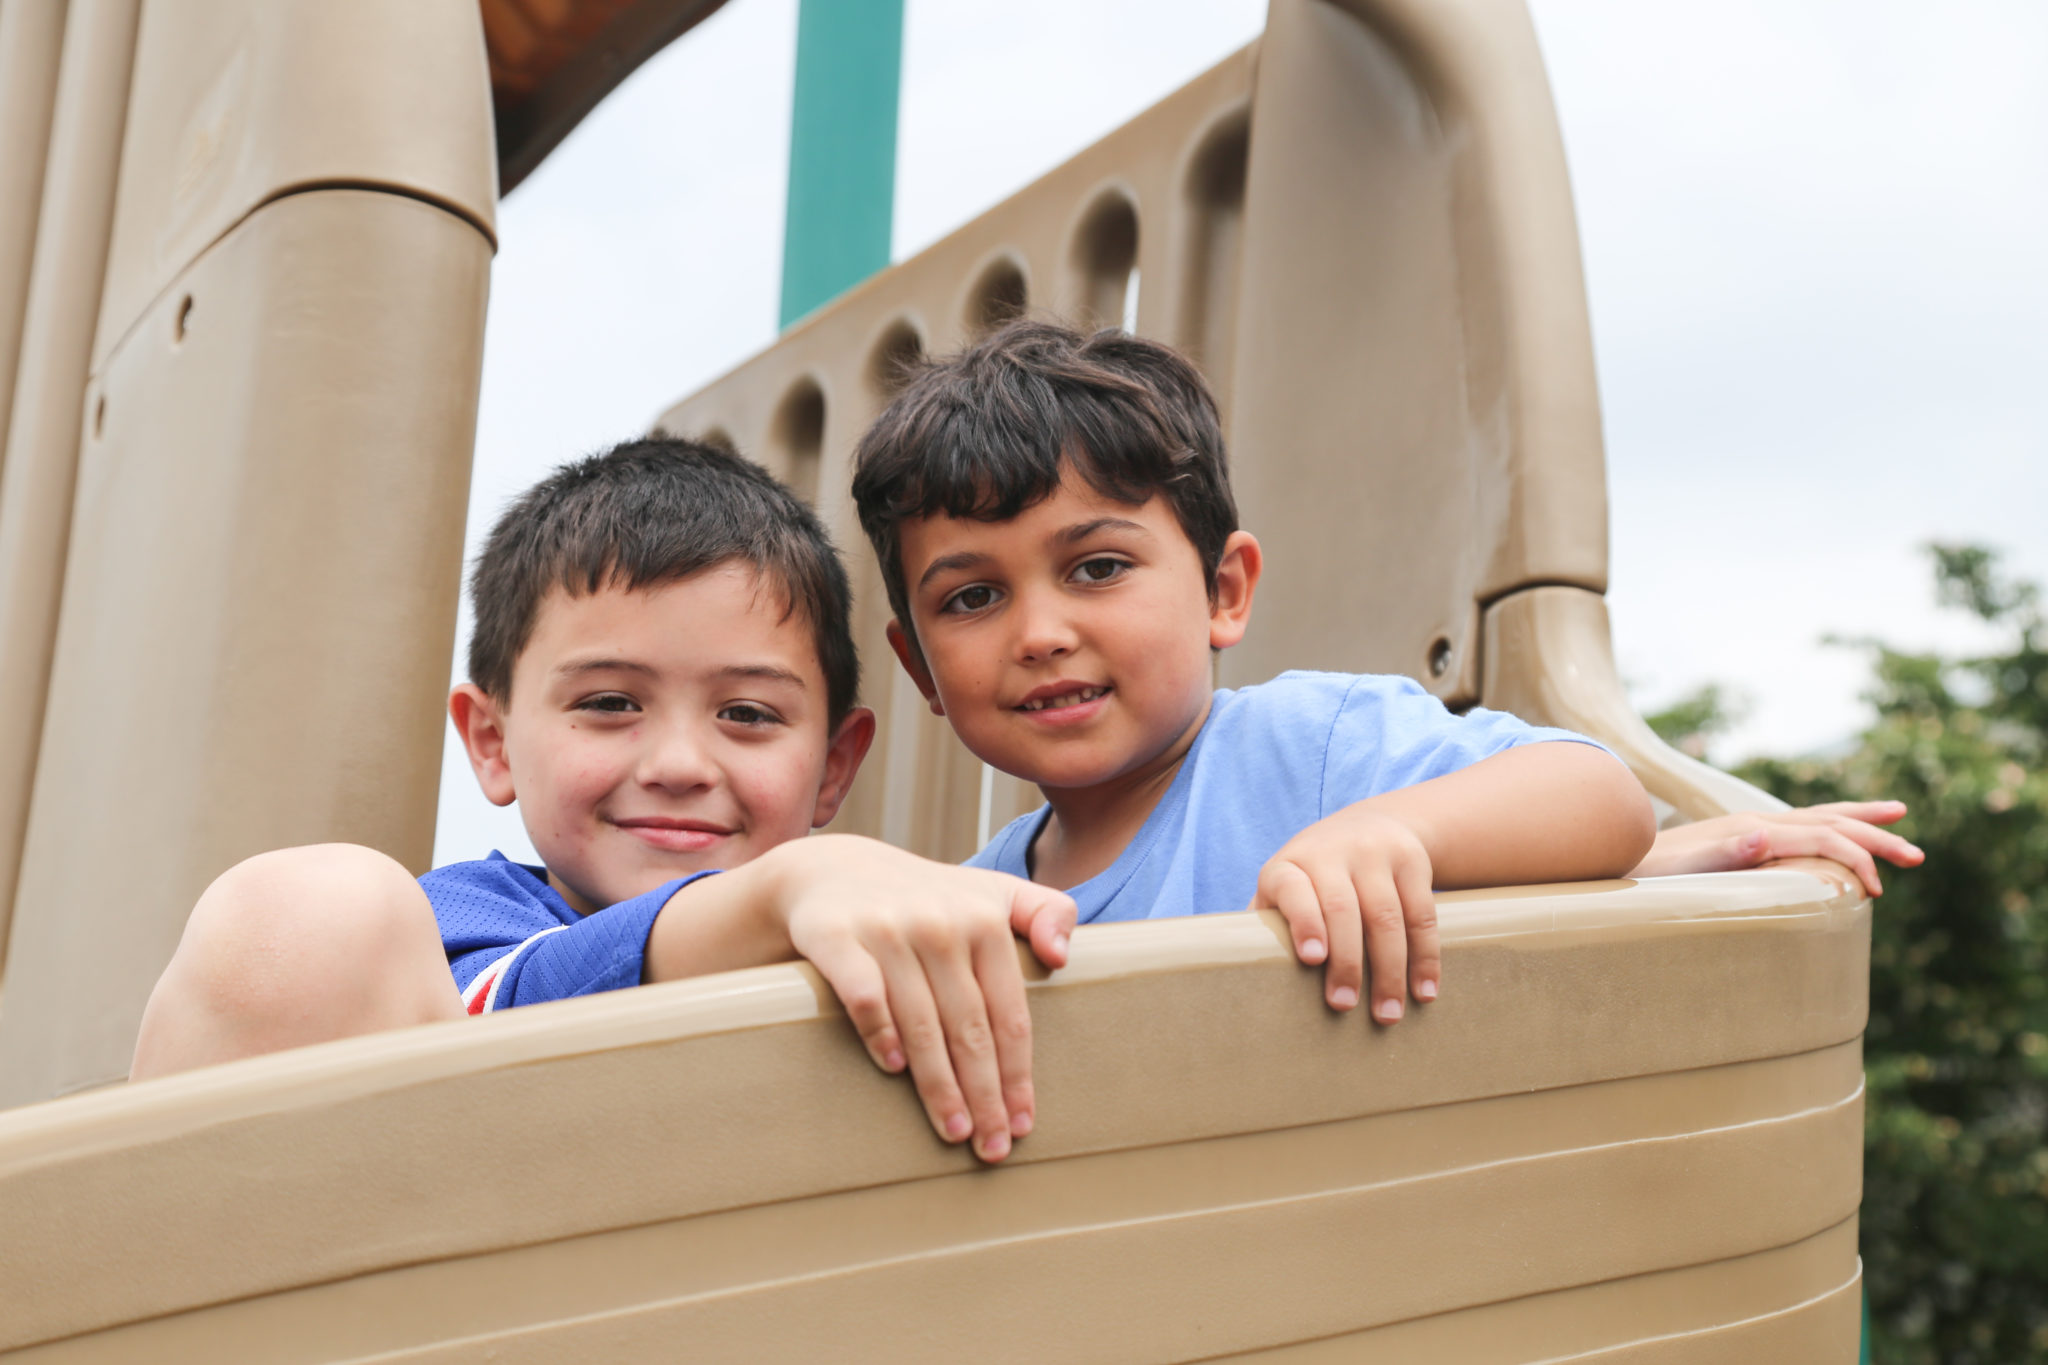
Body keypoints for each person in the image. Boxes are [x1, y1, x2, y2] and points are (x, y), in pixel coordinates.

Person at [849, 320, 1920, 1026]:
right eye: (971, 597)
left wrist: (1382, 832)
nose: (1038, 631)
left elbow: (1590, 792)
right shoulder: (982, 888)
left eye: (1096, 567)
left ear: (1224, 590)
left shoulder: (1306, 751)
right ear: (921, 669)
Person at [131, 439, 1075, 1165]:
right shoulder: (464, 921)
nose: (675, 762)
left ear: (834, 767)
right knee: (306, 910)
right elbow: (525, 1008)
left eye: (746, 713)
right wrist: (793, 883)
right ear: (492, 741)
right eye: (610, 703)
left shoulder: (867, 932)